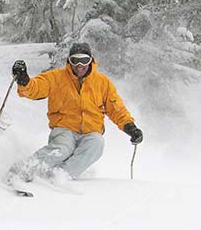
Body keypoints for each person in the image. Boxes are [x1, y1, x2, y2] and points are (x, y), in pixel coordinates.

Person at [9, 41, 143, 181]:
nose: (80, 65)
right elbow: (36, 88)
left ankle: (58, 176)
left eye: (84, 60)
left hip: (91, 132)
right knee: (62, 149)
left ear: (91, 61)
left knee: (97, 144)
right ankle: (22, 171)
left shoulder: (102, 83)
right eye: (75, 60)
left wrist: (130, 127)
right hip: (65, 129)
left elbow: (116, 109)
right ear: (69, 61)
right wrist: (24, 81)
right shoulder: (56, 77)